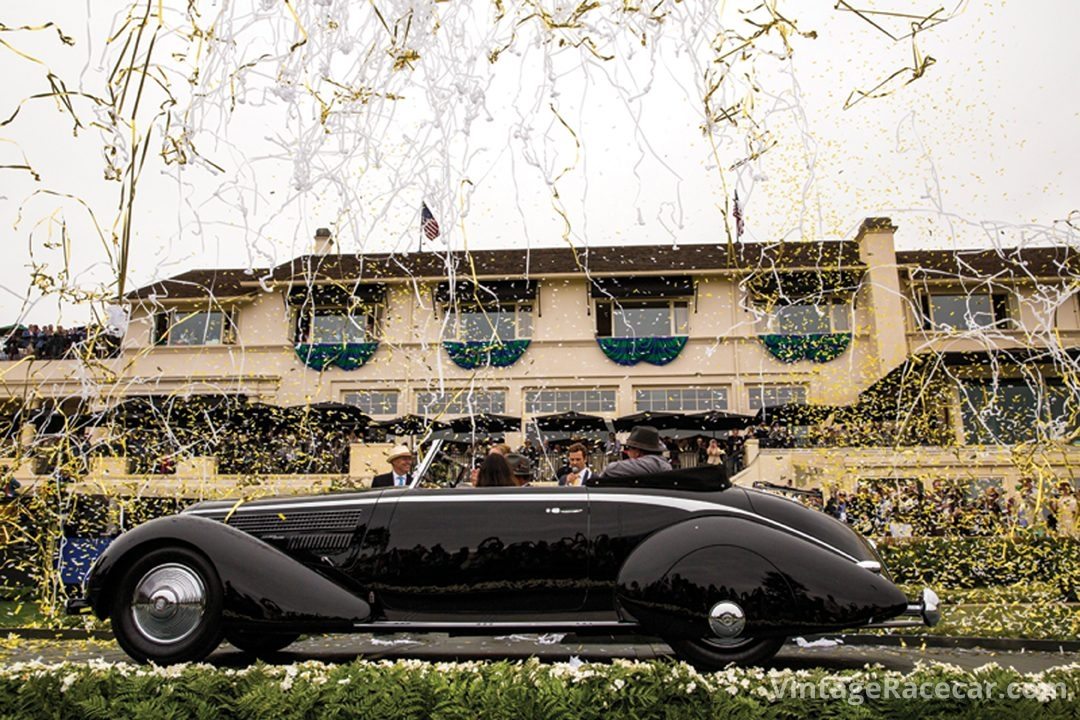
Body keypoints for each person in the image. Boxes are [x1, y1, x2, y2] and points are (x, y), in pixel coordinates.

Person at [597, 426, 672, 480]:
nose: (627, 452)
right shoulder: (661, 463)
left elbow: (611, 469)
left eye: (628, 448)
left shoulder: (652, 463)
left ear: (637, 452)